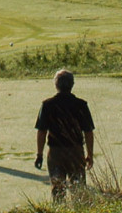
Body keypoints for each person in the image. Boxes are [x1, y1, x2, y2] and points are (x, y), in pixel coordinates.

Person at [34, 69, 95, 200]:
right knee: (79, 191)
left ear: (56, 85)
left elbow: (41, 132)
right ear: (72, 84)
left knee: (58, 191)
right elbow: (88, 131)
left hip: (56, 153)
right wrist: (90, 154)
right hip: (76, 152)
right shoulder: (81, 105)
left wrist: (39, 154)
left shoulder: (47, 105)